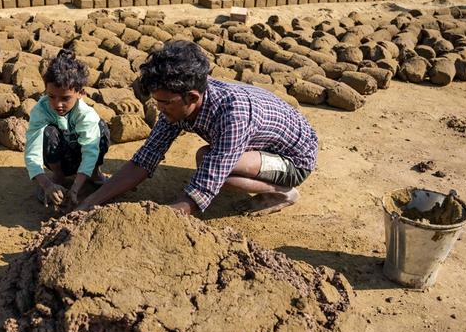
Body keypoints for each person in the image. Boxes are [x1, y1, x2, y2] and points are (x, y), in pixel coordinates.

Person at [78, 40, 318, 216]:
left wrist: (155, 220)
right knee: (208, 158)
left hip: (294, 160)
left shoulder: (232, 115)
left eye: (164, 103)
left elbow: (202, 190)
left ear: (191, 97)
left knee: (213, 165)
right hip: (257, 144)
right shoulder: (177, 100)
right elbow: (145, 159)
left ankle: (284, 191)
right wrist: (92, 200)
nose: (159, 109)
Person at [25, 49, 110, 210]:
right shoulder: (41, 110)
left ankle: (93, 173)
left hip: (80, 155)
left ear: (80, 93)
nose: (58, 104)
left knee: (101, 128)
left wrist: (76, 188)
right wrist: (46, 184)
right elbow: (32, 151)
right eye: (51, 96)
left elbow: (90, 150)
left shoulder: (86, 114)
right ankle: (58, 176)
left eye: (65, 98)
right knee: (49, 132)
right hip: (60, 158)